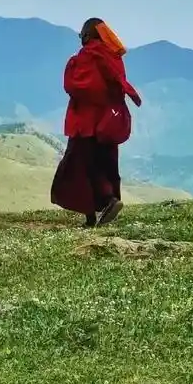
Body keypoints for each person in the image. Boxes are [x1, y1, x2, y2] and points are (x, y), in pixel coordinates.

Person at [50, 17, 142, 228]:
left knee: (80, 168)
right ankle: (97, 214)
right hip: (108, 123)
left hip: (85, 124)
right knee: (104, 164)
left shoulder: (84, 58)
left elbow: (74, 86)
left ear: (87, 35)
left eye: (82, 34)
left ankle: (105, 204)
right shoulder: (113, 58)